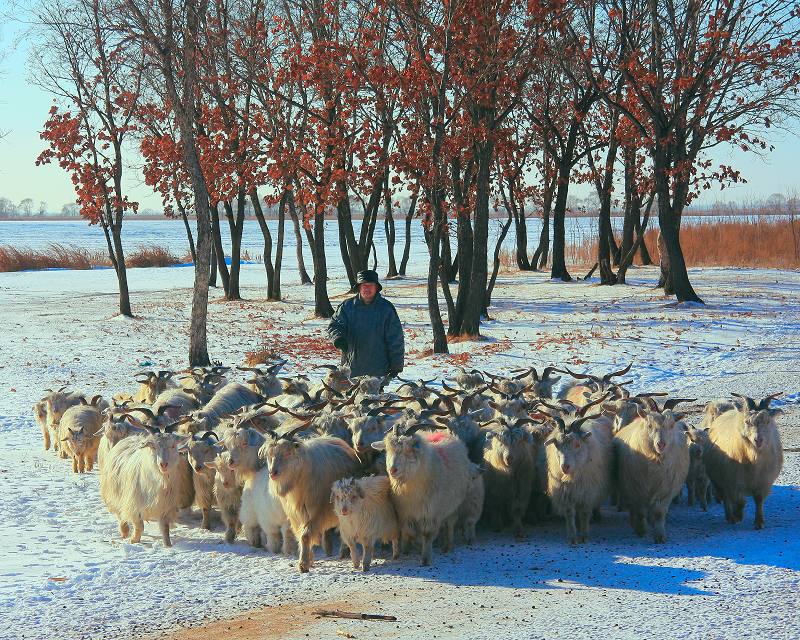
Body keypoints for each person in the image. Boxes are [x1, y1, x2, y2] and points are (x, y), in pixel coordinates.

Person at [327, 270, 404, 378]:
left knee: (374, 396)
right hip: (351, 370)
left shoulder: (386, 309)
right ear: (359, 287)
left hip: (378, 373)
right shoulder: (346, 307)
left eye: (370, 285)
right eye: (364, 285)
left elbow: (396, 339)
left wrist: (396, 365)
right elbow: (334, 326)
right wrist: (338, 337)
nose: (367, 288)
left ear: (376, 287)